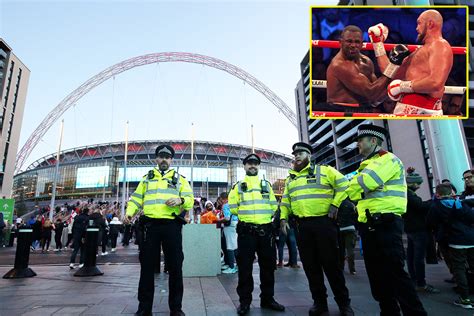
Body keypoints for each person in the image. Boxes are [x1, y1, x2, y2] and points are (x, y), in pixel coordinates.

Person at [346, 124, 426, 315]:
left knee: (395, 274)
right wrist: (356, 186)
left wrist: (356, 185)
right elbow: (354, 192)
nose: (357, 144)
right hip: (369, 226)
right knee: (376, 276)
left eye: (360, 140)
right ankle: (388, 312)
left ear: (373, 141)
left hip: (386, 224)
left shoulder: (388, 159)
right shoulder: (366, 166)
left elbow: (364, 184)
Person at [280, 142, 354, 316]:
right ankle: (320, 303)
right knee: (311, 267)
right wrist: (283, 218)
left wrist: (335, 204)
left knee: (332, 267)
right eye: (295, 153)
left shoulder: (325, 170)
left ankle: (344, 304)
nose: (297, 156)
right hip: (302, 227)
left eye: (301, 153)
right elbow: (285, 201)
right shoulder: (291, 179)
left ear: (309, 155)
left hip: (324, 224)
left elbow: (345, 185)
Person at [126, 144, 194, 316]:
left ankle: (176, 308)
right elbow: (136, 198)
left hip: (171, 226)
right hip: (150, 226)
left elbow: (190, 199)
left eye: (168, 156)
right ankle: (144, 308)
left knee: (176, 267)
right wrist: (129, 213)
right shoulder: (146, 179)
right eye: (161, 156)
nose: (164, 159)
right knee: (147, 268)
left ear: (171, 160)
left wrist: (180, 200)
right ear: (156, 159)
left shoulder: (180, 179)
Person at [228, 153, 285, 315]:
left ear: (258, 167)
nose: (253, 166)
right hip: (247, 232)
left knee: (268, 267)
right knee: (245, 268)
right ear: (244, 166)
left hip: (266, 232)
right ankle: (245, 302)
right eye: (250, 163)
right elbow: (233, 207)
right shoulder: (238, 186)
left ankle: (268, 299)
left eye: (255, 163)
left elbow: (274, 206)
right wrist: (248, 217)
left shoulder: (266, 185)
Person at [371, 10, 454, 115]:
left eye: (419, 23)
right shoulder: (419, 51)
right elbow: (391, 74)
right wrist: (378, 44)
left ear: (430, 24)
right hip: (408, 107)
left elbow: (435, 83)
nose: (416, 28)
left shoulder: (439, 45)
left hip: (423, 110)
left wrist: (402, 87)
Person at [324, 25, 409, 113]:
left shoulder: (366, 62)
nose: (353, 45)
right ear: (340, 42)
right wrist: (393, 65)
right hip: (341, 109)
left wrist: (397, 69)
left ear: (362, 43)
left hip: (365, 108)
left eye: (357, 42)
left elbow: (377, 95)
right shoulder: (339, 65)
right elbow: (370, 92)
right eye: (349, 41)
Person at [427, 183, 474, 309]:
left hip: (455, 240)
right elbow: (471, 217)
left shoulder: (436, 206)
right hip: (470, 238)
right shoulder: (460, 203)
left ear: (437, 194)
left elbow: (430, 222)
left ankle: (465, 299)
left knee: (459, 269)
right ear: (452, 192)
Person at [402, 167, 440, 294]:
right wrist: (434, 201)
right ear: (413, 183)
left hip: (411, 229)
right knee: (418, 258)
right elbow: (420, 206)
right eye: (418, 183)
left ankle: (414, 280)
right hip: (418, 229)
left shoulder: (406, 193)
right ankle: (420, 283)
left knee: (412, 257)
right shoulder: (409, 194)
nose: (419, 186)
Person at [337, 198, 357, 275]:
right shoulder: (352, 204)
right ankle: (352, 269)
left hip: (340, 229)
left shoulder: (337, 203)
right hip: (351, 228)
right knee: (350, 249)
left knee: (341, 250)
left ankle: (341, 267)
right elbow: (356, 217)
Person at [221, 192, 239, 274]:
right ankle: (237, 265)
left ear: (223, 199)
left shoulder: (225, 206)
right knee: (235, 246)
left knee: (230, 246)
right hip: (235, 225)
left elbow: (227, 218)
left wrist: (219, 220)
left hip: (229, 226)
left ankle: (231, 267)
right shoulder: (234, 204)